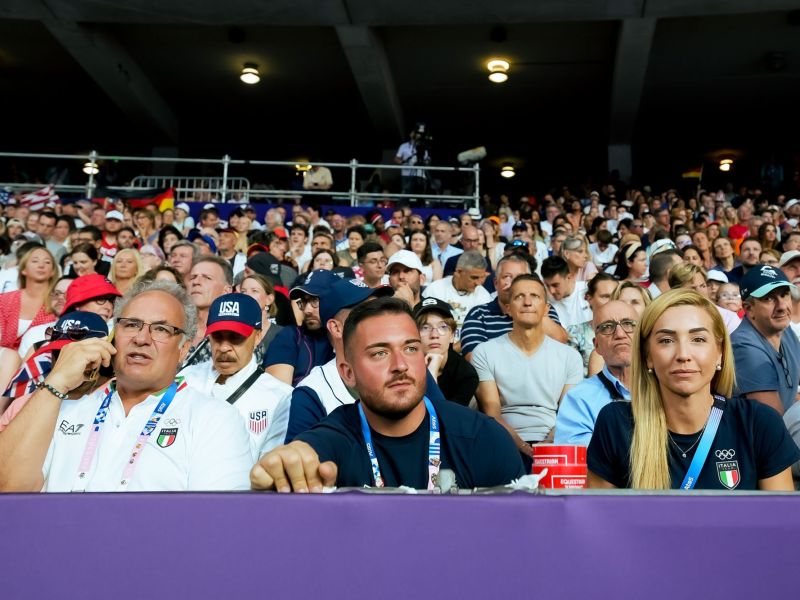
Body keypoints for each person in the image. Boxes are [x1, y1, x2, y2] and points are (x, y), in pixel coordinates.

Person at [0, 279, 253, 492]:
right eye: (131, 324)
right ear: (114, 336)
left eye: (161, 329)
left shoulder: (214, 419)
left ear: (184, 349)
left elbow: (217, 521)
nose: (141, 338)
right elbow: (8, 487)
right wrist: (55, 381)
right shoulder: (63, 409)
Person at [251, 297, 525, 492]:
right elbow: (307, 451)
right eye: (380, 353)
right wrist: (288, 464)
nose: (400, 365)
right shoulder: (336, 438)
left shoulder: (484, 439)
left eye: (410, 349)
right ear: (348, 373)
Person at [587, 289, 798, 490]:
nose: (683, 355)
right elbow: (599, 514)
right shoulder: (616, 423)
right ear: (648, 356)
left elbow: (779, 515)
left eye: (698, 339)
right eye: (666, 340)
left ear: (720, 352)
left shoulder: (759, 423)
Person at [472, 275, 583, 458]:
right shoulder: (484, 352)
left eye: (535, 296)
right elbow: (492, 413)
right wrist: (523, 447)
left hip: (554, 442)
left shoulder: (570, 357)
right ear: (508, 308)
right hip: (502, 441)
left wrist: (546, 447)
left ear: (546, 309)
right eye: (519, 297)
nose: (527, 302)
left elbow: (568, 414)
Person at [181, 293, 292, 459]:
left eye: (235, 337)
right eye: (217, 336)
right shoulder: (186, 378)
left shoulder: (280, 398)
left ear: (257, 337)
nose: (224, 347)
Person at [555, 301, 637, 445]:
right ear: (597, 345)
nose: (620, 334)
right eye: (607, 327)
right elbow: (579, 456)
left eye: (628, 324)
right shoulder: (579, 399)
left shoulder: (663, 388)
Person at [460, 253, 567, 359]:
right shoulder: (478, 314)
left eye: (521, 277)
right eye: (507, 277)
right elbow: (474, 359)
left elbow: (560, 343)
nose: (514, 283)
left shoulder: (543, 308)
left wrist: (537, 313)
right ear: (496, 283)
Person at [731, 265, 800, 415]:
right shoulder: (744, 347)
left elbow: (791, 392)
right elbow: (773, 419)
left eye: (784, 295)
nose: (782, 306)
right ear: (749, 309)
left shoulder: (784, 328)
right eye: (768, 298)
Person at [263, 269, 338, 386]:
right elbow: (278, 393)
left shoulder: (350, 340)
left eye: (315, 301)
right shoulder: (290, 336)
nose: (307, 310)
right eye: (304, 301)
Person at [414, 298, 478, 407]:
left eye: (442, 327)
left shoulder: (466, 374)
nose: (434, 335)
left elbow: (447, 415)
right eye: (425, 327)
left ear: (452, 336)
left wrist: (432, 373)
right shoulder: (403, 366)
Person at [422, 251, 491, 341]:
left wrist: (455, 347)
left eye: (481, 277)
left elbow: (482, 333)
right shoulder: (434, 290)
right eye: (474, 277)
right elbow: (423, 326)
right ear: (458, 271)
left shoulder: (483, 296)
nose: (478, 283)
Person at [0, 246, 58, 350]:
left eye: (47, 262)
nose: (41, 265)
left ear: (53, 271)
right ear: (23, 269)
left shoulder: (57, 304)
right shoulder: (4, 300)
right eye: (35, 261)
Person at [184, 256, 234, 367]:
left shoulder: (238, 337)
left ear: (226, 290)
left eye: (207, 278)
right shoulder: (173, 329)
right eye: (192, 277)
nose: (196, 282)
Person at [238, 273, 283, 363]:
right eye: (243, 291)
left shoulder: (282, 334)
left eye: (254, 291)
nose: (247, 295)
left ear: (269, 299)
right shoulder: (232, 331)